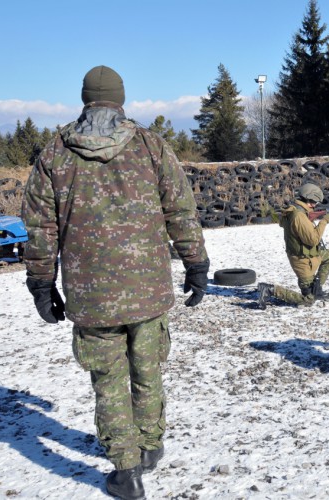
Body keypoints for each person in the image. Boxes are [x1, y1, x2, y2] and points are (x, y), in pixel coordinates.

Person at [22, 65, 209, 500]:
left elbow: (40, 228)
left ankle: (126, 471)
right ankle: (149, 446)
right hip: (148, 292)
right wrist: (196, 264)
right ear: (120, 99)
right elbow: (181, 210)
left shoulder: (55, 153)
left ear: (85, 98)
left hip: (93, 298)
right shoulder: (150, 145)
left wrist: (41, 283)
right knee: (148, 371)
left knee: (108, 383)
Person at [256, 183, 329, 308]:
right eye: (314, 202)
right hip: (302, 260)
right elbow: (313, 240)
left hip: (308, 255)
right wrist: (324, 221)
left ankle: (317, 290)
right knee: (308, 300)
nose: (314, 205)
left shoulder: (295, 210)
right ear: (308, 200)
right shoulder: (299, 215)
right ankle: (270, 290)